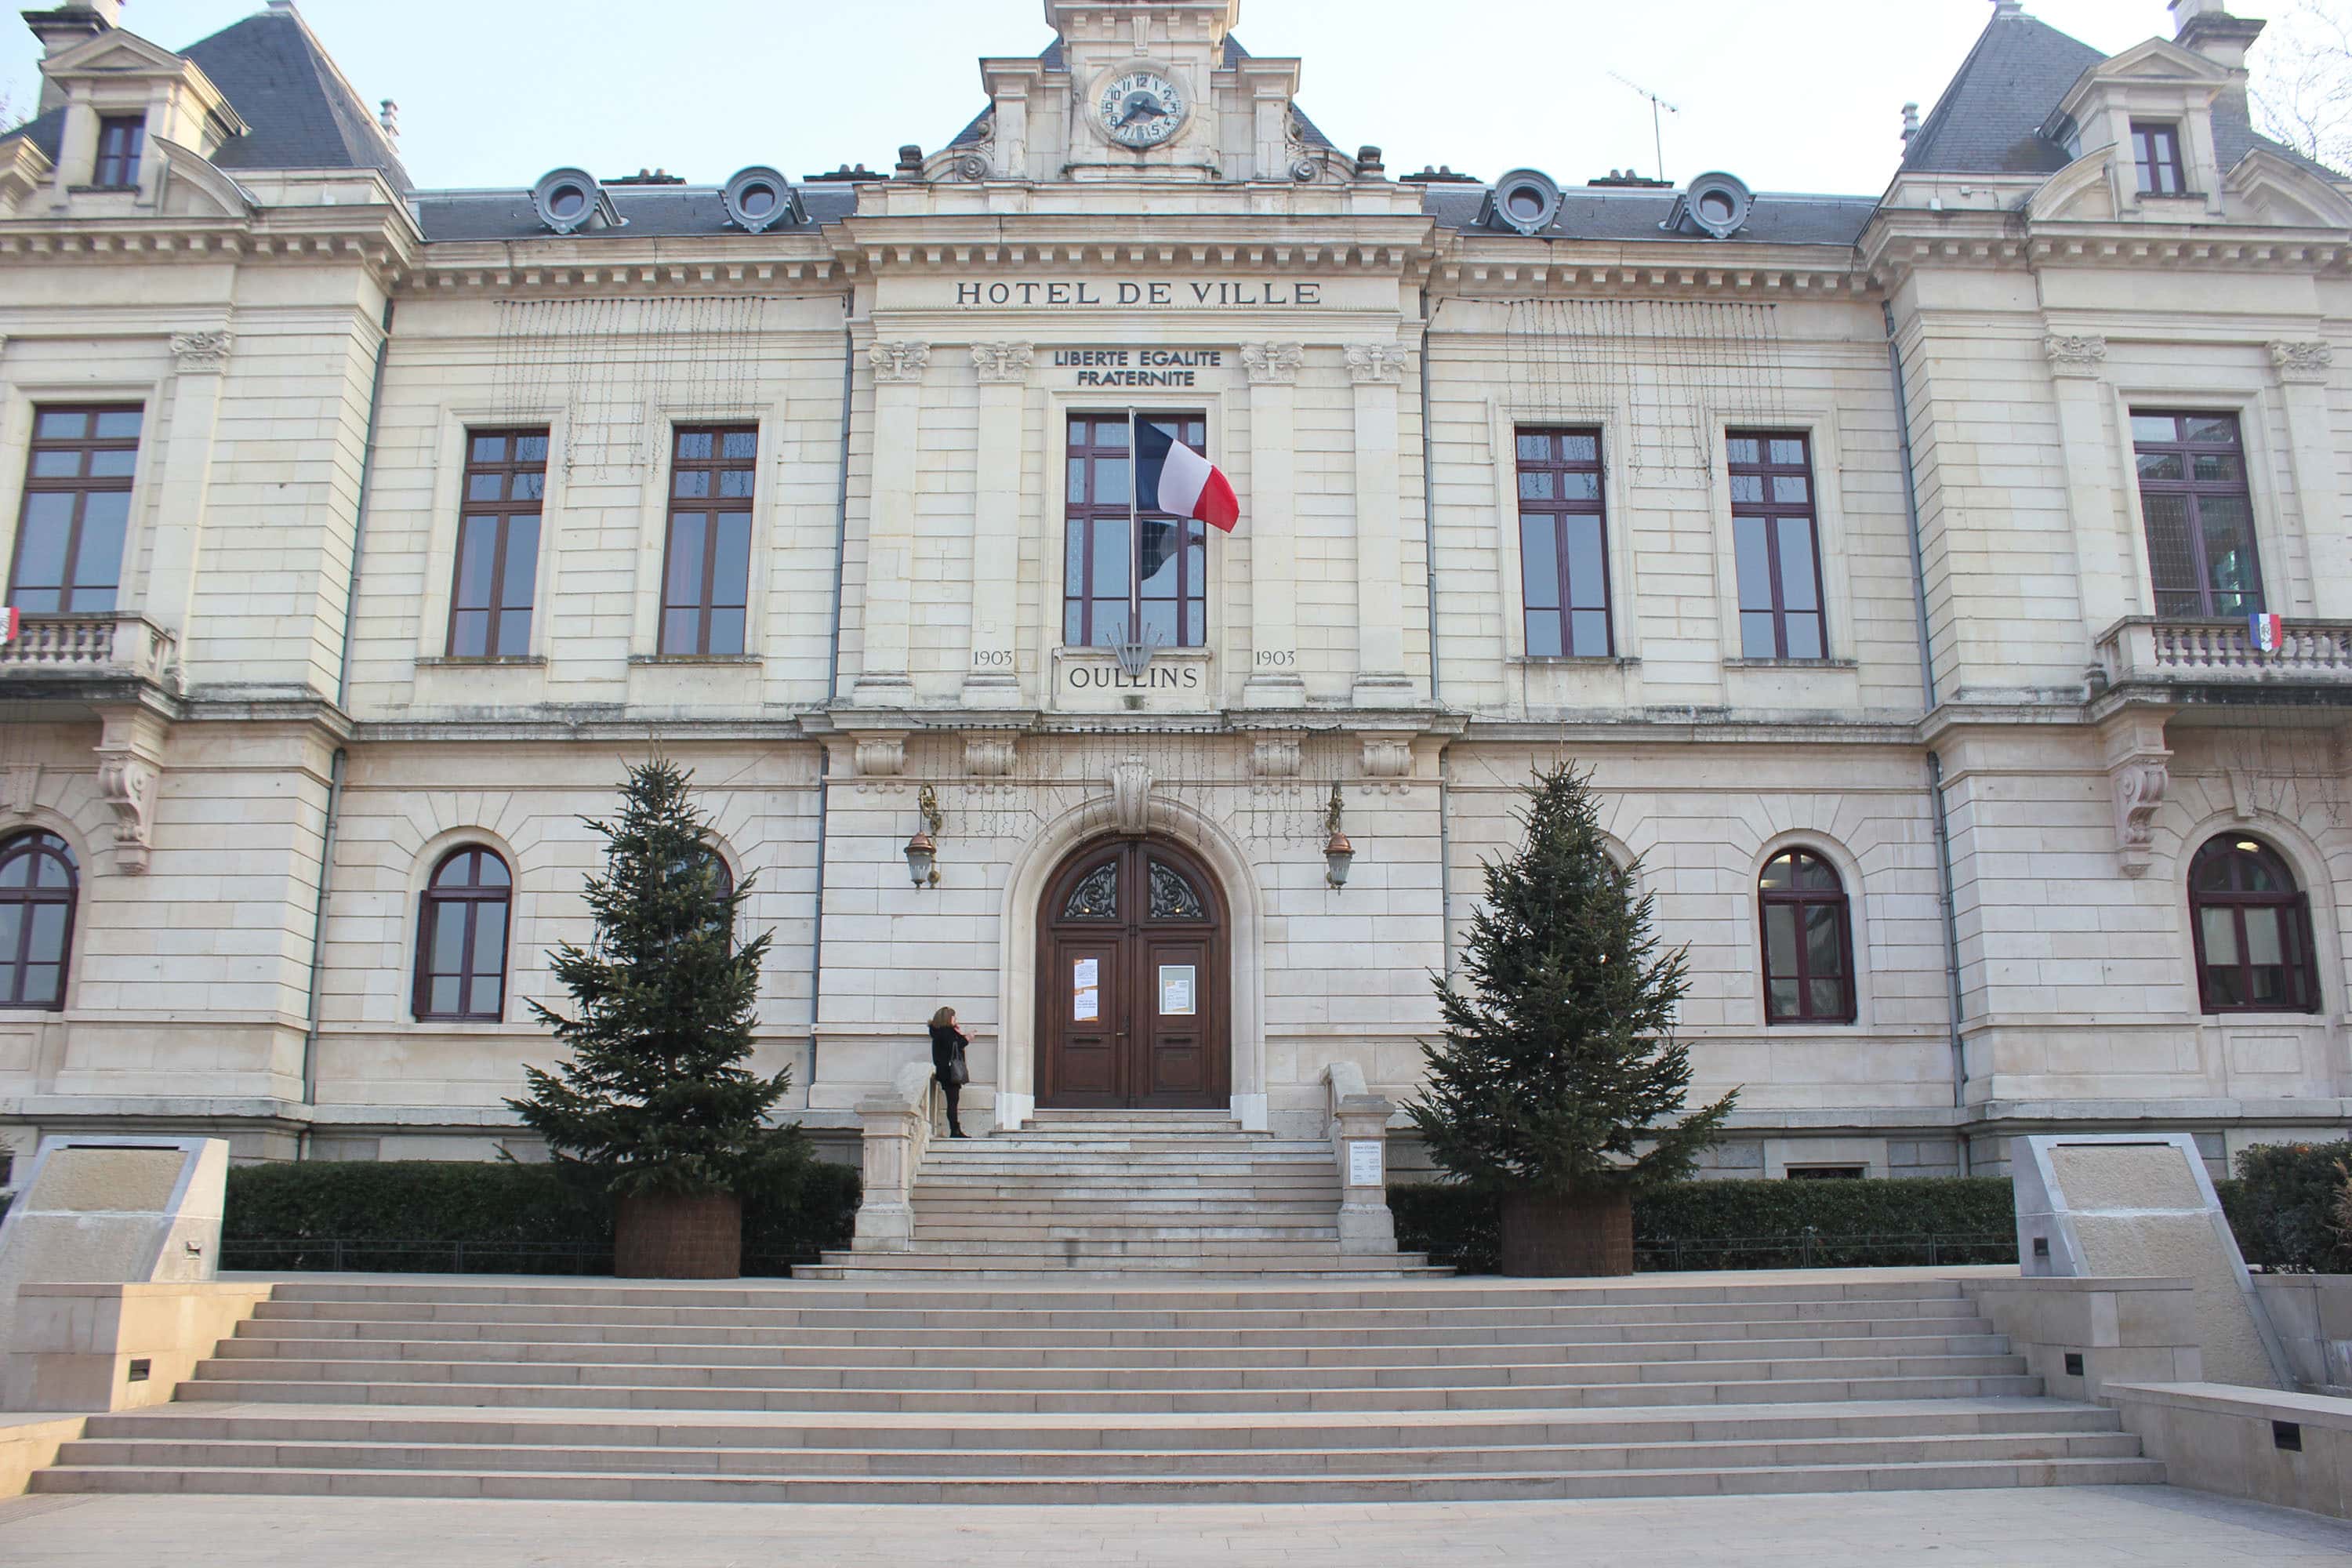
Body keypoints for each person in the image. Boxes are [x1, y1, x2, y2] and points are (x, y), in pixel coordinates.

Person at [928, 1006, 971, 1138]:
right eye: (954, 1017)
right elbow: (955, 1045)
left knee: (953, 1100)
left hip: (945, 1071)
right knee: (953, 1101)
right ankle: (955, 1130)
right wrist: (967, 1038)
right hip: (950, 1072)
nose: (956, 1019)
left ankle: (955, 1129)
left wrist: (957, 1033)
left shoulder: (939, 1032)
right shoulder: (946, 1032)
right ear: (948, 1018)